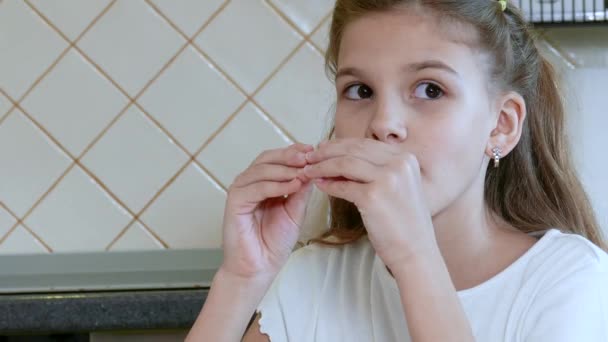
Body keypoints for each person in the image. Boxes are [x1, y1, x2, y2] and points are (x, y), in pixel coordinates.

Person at [186, 0, 608, 341]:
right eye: (361, 91)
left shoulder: (573, 283)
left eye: (430, 89)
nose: (383, 122)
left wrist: (415, 259)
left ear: (501, 126)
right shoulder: (313, 275)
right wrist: (242, 277)